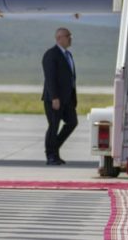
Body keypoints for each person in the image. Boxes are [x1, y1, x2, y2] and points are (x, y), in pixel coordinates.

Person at [42, 27, 78, 165]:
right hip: (54, 99)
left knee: (72, 122)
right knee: (53, 126)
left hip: (67, 99)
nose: (70, 38)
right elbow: (50, 78)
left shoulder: (68, 55)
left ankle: (54, 149)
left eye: (70, 36)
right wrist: (54, 97)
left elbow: (71, 78)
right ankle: (51, 155)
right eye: (68, 36)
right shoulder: (51, 54)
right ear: (59, 38)